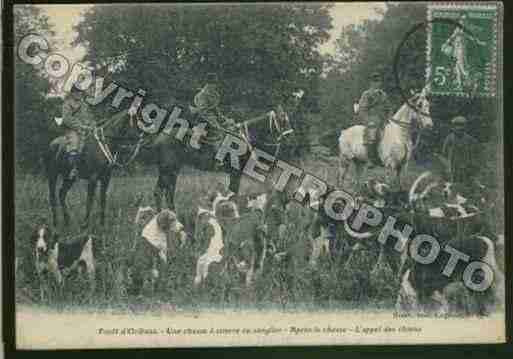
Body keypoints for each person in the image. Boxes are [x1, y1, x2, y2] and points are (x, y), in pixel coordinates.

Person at [356, 71, 392, 163]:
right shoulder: (367, 94)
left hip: (383, 119)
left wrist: (389, 117)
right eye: (375, 81)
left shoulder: (383, 94)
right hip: (371, 119)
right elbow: (362, 109)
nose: (377, 84)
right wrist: (368, 120)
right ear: (371, 83)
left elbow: (388, 108)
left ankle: (388, 157)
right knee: (372, 135)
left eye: (378, 81)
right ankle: (370, 159)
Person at [61, 85, 96, 179]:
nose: (80, 94)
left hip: (86, 130)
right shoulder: (67, 104)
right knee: (75, 144)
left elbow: (90, 117)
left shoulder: (84, 105)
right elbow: (67, 119)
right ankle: (73, 169)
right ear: (72, 93)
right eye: (77, 92)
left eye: (81, 92)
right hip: (72, 130)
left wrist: (92, 125)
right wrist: (81, 126)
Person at [441, 116, 480, 185]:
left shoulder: (469, 138)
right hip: (454, 164)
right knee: (454, 181)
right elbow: (444, 151)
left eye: (461, 125)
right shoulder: (450, 138)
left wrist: (473, 161)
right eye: (457, 125)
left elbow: (476, 149)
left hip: (466, 164)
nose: (459, 128)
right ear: (453, 127)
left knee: (466, 180)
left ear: (465, 127)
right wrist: (446, 164)